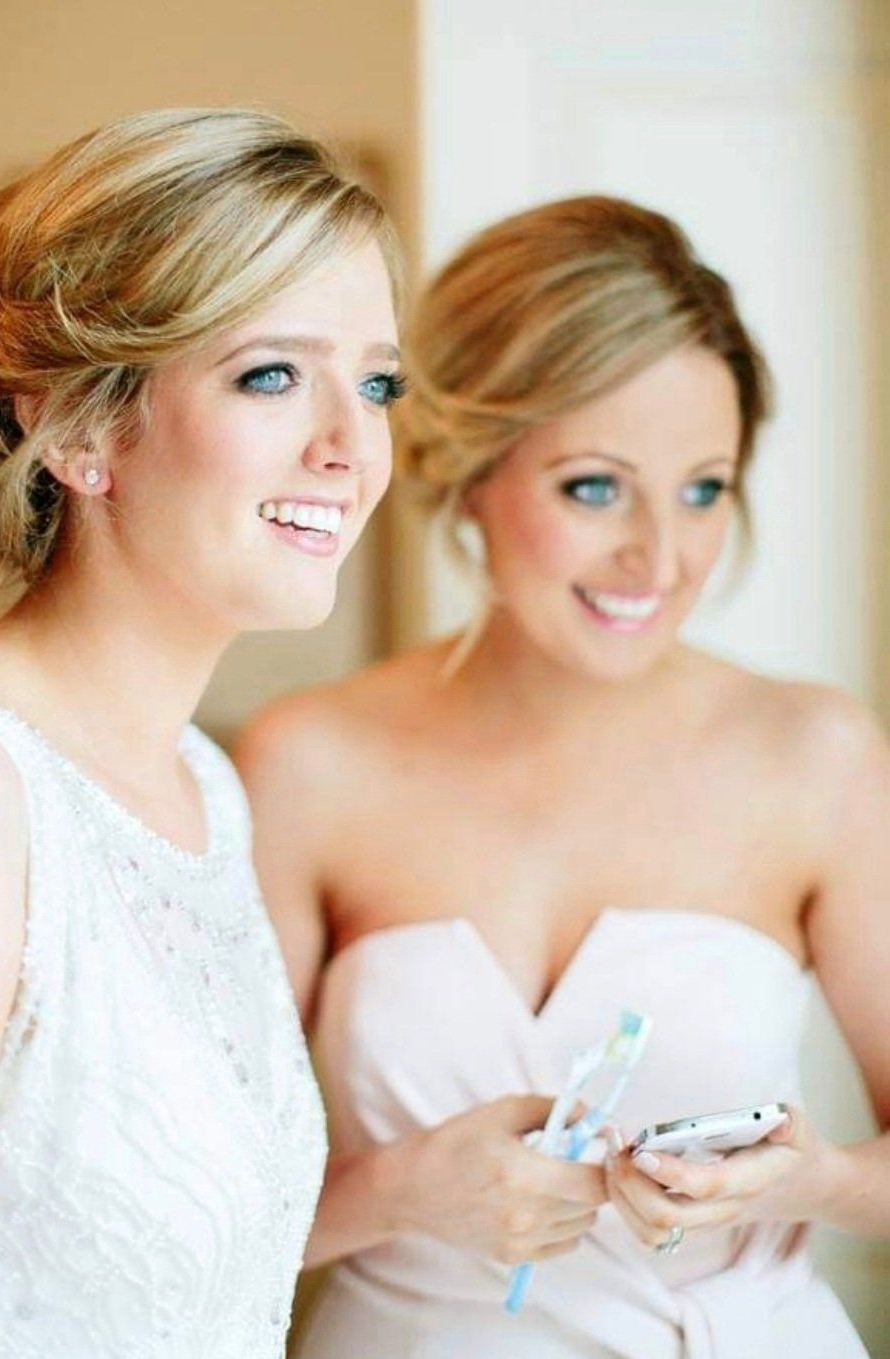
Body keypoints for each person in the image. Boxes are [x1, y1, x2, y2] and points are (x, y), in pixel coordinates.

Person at [237, 196, 889, 1357]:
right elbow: (181, 1210)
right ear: (467, 472)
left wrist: (814, 1179)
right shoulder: (306, 768)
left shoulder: (819, 757)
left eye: (704, 489)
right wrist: (400, 1191)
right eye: (595, 487)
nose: (661, 556)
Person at [0, 107, 403, 1359]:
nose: (353, 446)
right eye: (274, 374)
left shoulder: (200, 788)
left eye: (379, 381)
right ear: (79, 429)